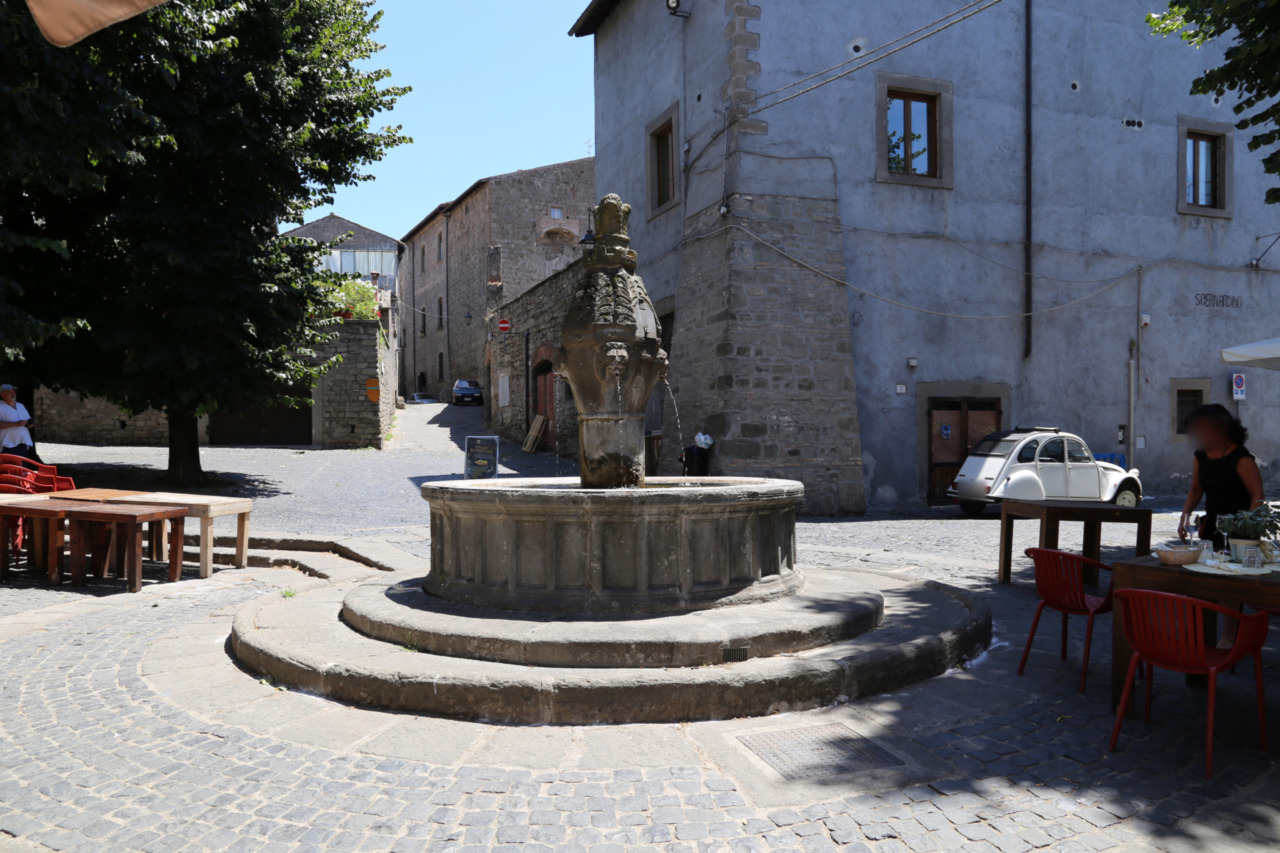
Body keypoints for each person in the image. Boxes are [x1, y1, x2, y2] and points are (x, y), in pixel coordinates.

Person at [1178, 403, 1265, 549]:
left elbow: (1257, 495)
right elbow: (1196, 489)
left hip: (1239, 530)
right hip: (1212, 527)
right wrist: (1184, 518)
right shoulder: (1200, 456)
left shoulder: (1241, 458)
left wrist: (1248, 529)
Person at [0, 383, 39, 463]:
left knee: (21, 471)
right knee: (9, 472)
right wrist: (16, 424)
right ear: (2, 394)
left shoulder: (20, 406)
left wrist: (30, 424)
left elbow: (28, 420)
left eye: (13, 391)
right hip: (7, 444)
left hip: (22, 443)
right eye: (9, 392)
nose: (13, 393)